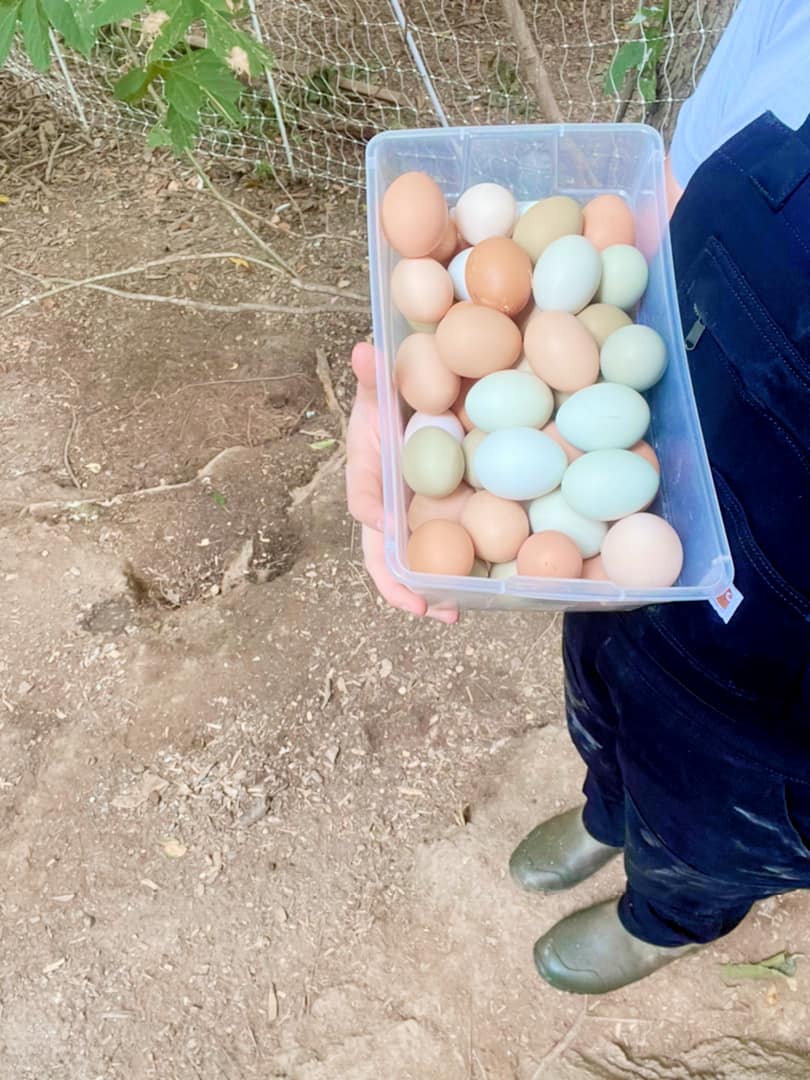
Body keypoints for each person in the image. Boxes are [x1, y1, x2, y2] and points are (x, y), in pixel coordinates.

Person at [346, 0, 810, 994]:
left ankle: (670, 912)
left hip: (785, 691)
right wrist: (437, 403)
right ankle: (609, 805)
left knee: (725, 817)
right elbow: (661, 218)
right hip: (640, 522)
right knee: (603, 680)